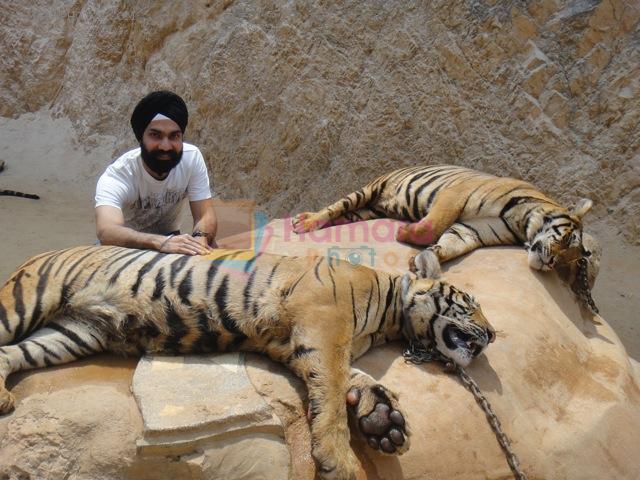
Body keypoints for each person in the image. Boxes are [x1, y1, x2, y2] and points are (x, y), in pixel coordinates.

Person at [95, 91, 217, 255]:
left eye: (174, 136)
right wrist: (159, 242)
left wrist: (200, 239)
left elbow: (205, 214)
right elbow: (107, 231)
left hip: (171, 239)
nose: (165, 146)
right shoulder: (119, 175)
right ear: (141, 138)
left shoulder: (191, 158)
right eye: (155, 135)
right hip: (125, 247)